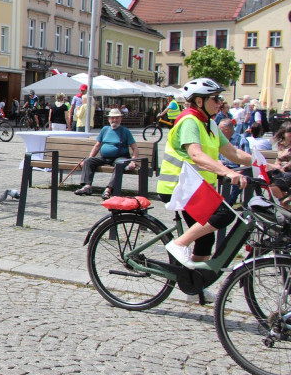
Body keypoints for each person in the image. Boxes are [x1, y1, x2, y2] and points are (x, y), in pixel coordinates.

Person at [159, 79, 252, 289]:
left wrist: (264, 164)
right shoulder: (190, 121)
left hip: (197, 187)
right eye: (215, 98)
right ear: (199, 101)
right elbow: (196, 155)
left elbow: (232, 152)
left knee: (206, 240)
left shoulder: (208, 122)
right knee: (225, 214)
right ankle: (178, 244)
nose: (219, 102)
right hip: (178, 186)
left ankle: (194, 287)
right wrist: (227, 172)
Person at [74, 109, 139, 199]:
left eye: (117, 118)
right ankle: (87, 187)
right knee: (89, 161)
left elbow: (135, 148)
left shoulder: (125, 131)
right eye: (112, 118)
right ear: (109, 119)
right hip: (104, 157)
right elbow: (97, 146)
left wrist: (133, 161)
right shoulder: (105, 129)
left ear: (120, 119)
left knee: (119, 164)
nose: (114, 120)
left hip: (119, 157)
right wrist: (89, 158)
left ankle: (109, 189)